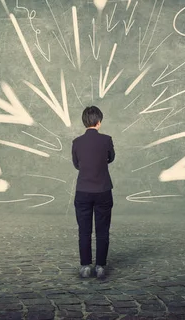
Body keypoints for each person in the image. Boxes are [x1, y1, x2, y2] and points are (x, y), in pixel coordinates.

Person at [71, 106, 115, 279]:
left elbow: (76, 164)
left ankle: (85, 266)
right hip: (103, 189)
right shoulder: (106, 140)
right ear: (99, 122)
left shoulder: (76, 142)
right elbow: (111, 158)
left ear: (84, 122)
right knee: (102, 230)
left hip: (83, 190)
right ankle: (100, 267)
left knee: (84, 230)